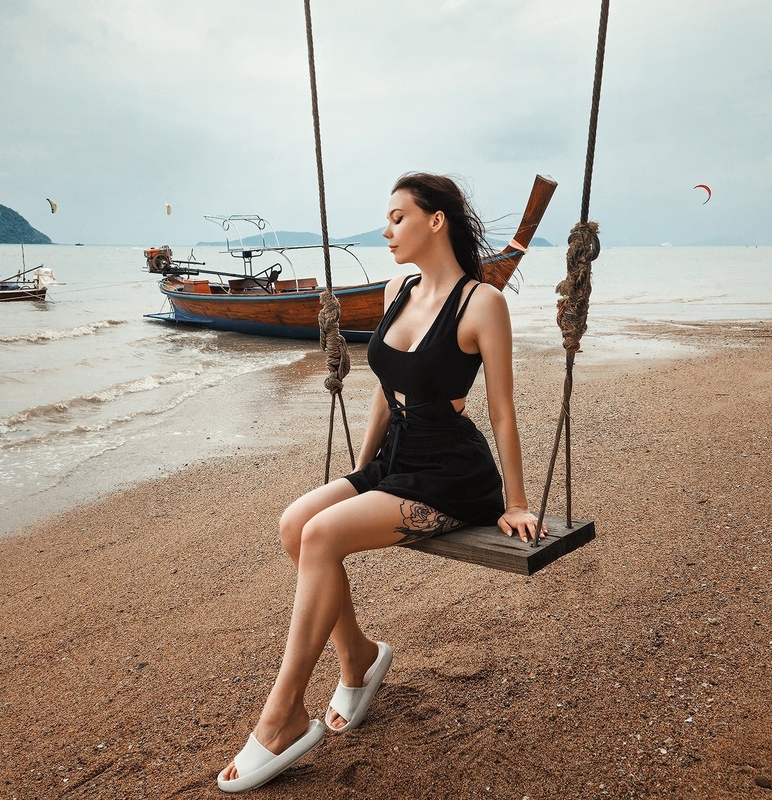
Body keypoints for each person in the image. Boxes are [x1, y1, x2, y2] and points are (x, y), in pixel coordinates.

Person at [217, 172, 543, 792]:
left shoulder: (482, 304)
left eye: (398, 217)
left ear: (435, 221)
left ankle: (282, 715)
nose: (388, 230)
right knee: (297, 525)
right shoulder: (399, 287)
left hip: (450, 473)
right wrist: (359, 475)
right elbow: (385, 392)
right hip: (395, 459)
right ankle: (359, 658)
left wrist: (518, 503)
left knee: (321, 538)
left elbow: (502, 409)